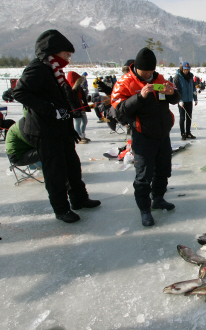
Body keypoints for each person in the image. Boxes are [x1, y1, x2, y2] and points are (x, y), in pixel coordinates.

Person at [12, 29, 101, 223]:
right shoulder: (38, 68)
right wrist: (50, 109)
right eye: (65, 54)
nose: (68, 59)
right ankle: (61, 209)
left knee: (73, 166)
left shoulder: (55, 70)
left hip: (61, 129)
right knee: (56, 172)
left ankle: (79, 199)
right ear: (52, 52)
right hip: (44, 131)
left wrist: (69, 126)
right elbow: (20, 93)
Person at [111, 47, 181, 227]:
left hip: (163, 134)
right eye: (146, 71)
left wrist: (171, 93)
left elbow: (175, 98)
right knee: (143, 175)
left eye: (152, 71)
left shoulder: (159, 79)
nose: (150, 74)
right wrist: (140, 97)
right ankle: (145, 209)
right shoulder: (125, 82)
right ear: (137, 68)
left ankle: (158, 198)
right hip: (143, 136)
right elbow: (119, 110)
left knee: (163, 171)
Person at [173, 62, 197, 140]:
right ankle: (183, 133)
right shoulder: (177, 77)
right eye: (185, 69)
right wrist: (179, 100)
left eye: (187, 69)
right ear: (182, 68)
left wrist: (195, 98)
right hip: (182, 101)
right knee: (182, 118)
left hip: (189, 100)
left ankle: (188, 132)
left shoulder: (190, 76)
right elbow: (176, 89)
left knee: (189, 117)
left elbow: (193, 88)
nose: (186, 71)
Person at [67, 71, 91, 144]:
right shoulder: (70, 89)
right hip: (76, 109)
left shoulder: (79, 88)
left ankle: (82, 135)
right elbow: (70, 101)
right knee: (78, 122)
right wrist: (75, 110)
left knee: (85, 121)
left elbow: (83, 97)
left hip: (82, 108)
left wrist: (86, 103)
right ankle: (79, 137)